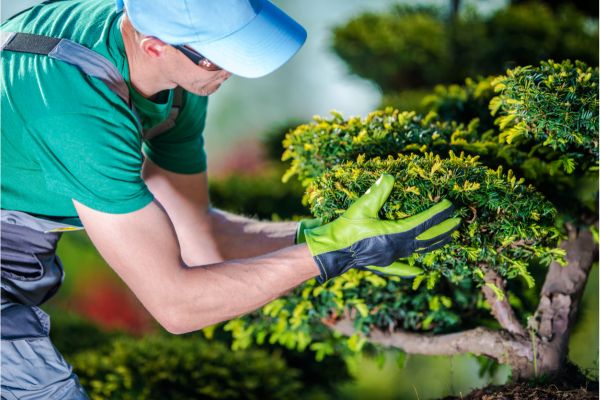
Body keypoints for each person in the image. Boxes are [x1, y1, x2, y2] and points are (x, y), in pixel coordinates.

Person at [0, 0, 461, 398]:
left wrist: (321, 236)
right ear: (153, 45)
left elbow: (203, 239)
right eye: (217, 58)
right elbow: (176, 305)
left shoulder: (178, 83)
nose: (229, 72)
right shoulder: (76, 108)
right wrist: (330, 255)